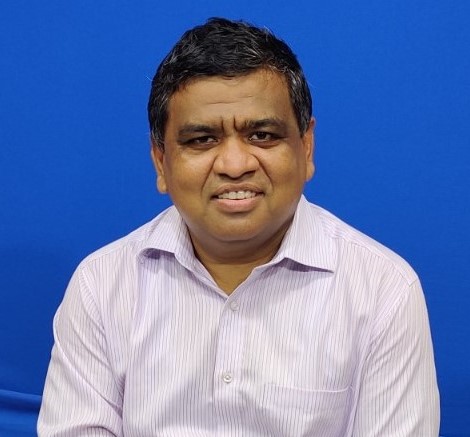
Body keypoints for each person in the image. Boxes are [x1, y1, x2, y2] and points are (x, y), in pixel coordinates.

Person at [38, 17, 440, 436]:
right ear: (160, 161)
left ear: (306, 147)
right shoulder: (102, 285)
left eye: (262, 135)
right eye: (202, 140)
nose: (234, 165)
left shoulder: (383, 291)